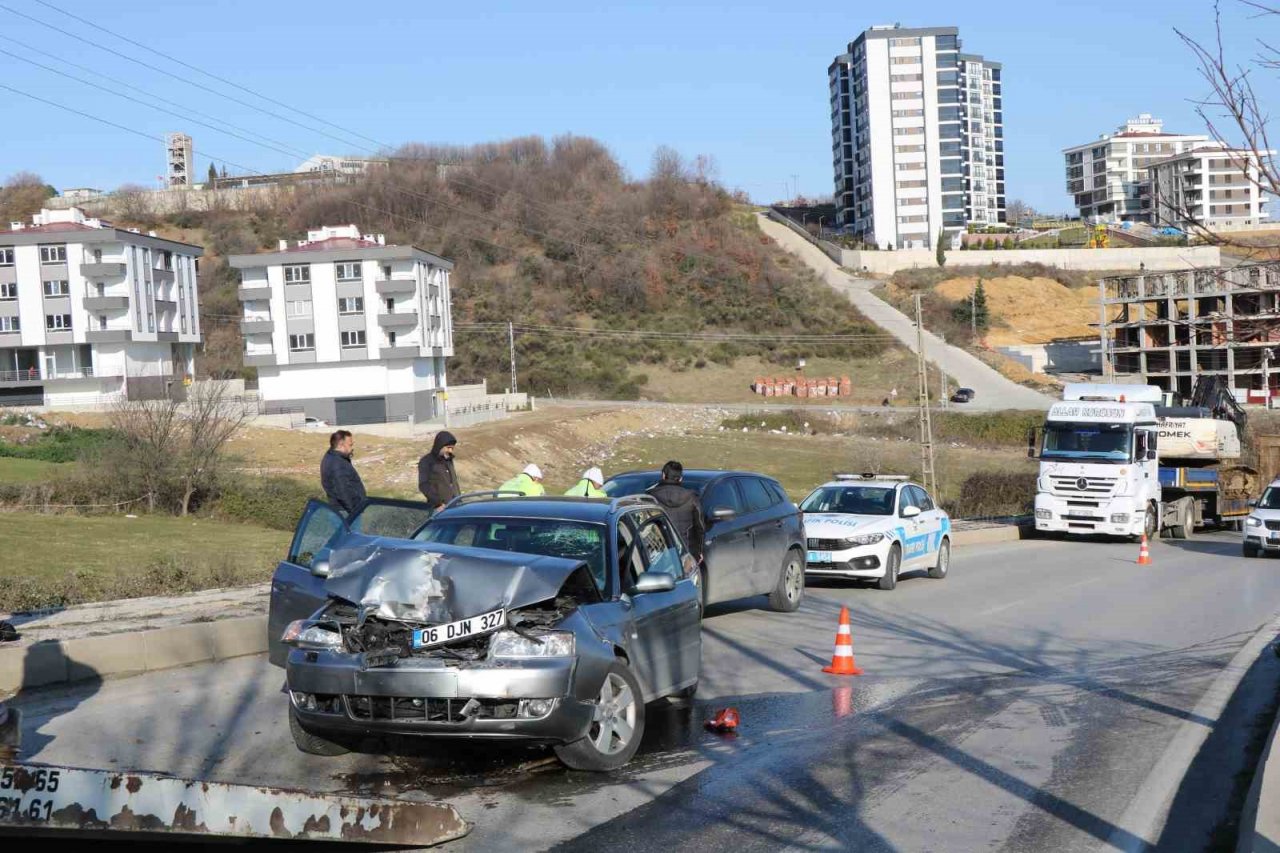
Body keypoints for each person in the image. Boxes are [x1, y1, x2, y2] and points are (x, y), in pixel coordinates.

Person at [647, 460, 705, 561]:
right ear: (681, 478)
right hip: (686, 552)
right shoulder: (692, 498)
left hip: (658, 553)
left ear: (663, 475)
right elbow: (699, 527)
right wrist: (698, 551)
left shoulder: (649, 497)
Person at [320, 430, 366, 516]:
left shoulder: (330, 457)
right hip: (345, 512)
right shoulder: (338, 464)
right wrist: (354, 512)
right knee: (351, 530)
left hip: (340, 510)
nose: (352, 448)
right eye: (350, 445)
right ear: (341, 444)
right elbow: (343, 491)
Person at [418, 430, 460, 511]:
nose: (450, 451)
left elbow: (453, 483)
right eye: (448, 448)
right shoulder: (426, 461)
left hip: (455, 505)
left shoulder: (448, 460)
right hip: (438, 509)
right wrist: (437, 503)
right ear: (440, 445)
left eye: (452, 448)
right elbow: (423, 485)